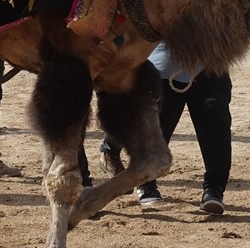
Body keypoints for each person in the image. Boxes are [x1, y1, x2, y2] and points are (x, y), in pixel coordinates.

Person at [100, 43, 233, 213]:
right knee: (155, 125)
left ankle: (214, 189)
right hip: (161, 65)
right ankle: (145, 182)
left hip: (209, 65)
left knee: (216, 119)